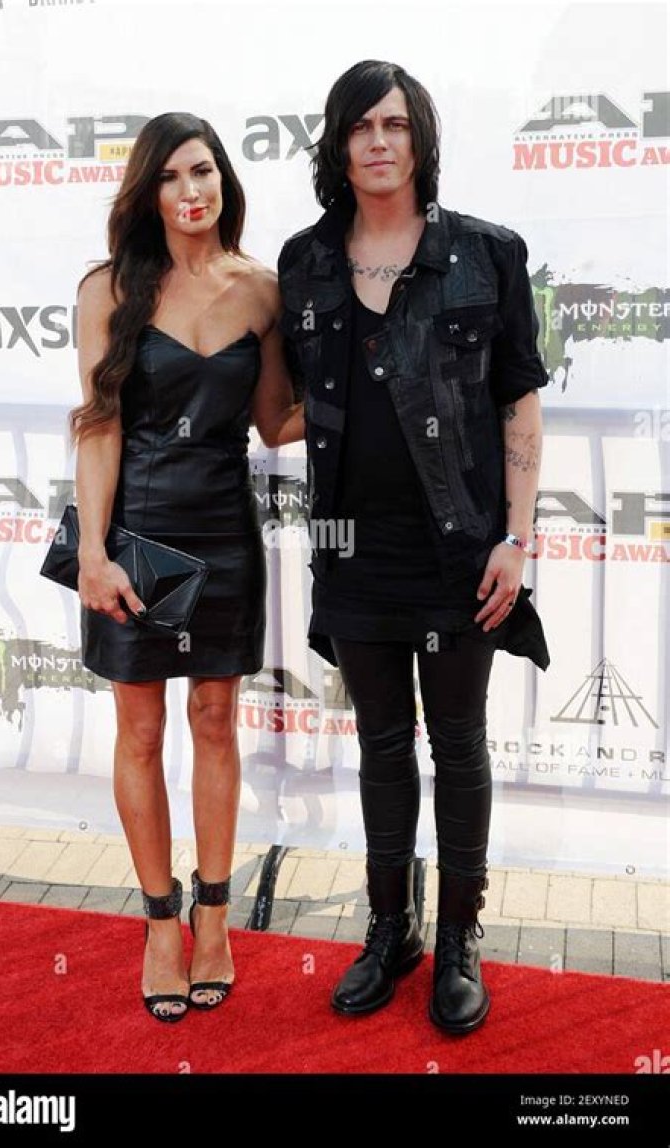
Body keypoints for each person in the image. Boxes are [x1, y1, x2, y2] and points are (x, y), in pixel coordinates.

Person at [277, 61, 550, 1034]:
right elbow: (280, 401)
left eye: (396, 124)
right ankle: (390, 930)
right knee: (381, 746)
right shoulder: (305, 262)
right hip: (350, 546)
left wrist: (516, 537)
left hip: (460, 547)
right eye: (362, 126)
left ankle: (460, 941)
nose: (380, 141)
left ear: (421, 139)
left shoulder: (486, 255)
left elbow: (519, 400)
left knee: (459, 744)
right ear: (339, 145)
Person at [69, 112, 302, 1022]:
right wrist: (94, 553)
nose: (190, 190)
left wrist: (373, 395)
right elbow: (99, 428)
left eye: (201, 171)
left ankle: (214, 919)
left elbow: (276, 421)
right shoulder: (108, 289)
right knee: (139, 731)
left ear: (224, 180)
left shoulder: (261, 289)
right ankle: (160, 923)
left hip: (223, 528)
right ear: (148, 193)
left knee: (214, 720)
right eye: (169, 177)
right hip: (136, 534)